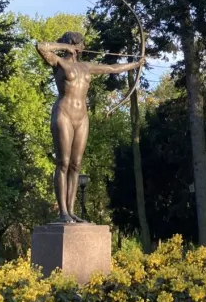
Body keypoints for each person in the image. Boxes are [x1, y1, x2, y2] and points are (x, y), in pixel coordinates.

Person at [35, 32, 143, 223]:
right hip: (63, 114)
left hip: (82, 117)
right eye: (80, 43)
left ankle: (71, 209)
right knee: (63, 163)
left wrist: (136, 63)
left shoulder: (86, 67)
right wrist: (63, 48)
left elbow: (112, 68)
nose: (83, 47)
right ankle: (63, 212)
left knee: (76, 165)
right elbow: (41, 46)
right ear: (71, 44)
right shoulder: (59, 62)